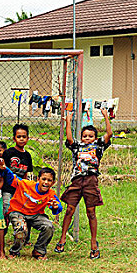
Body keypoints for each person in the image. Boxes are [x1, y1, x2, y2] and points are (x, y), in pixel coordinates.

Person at [55, 109, 112, 259]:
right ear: (81, 137)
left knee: (91, 212)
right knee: (69, 209)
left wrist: (106, 117)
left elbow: (109, 135)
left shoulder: (98, 146)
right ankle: (62, 238)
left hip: (91, 180)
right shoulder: (77, 146)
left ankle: (94, 243)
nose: (87, 138)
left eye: (90, 136)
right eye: (85, 136)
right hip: (77, 180)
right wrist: (68, 121)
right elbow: (69, 139)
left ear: (95, 137)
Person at [1, 165, 62, 260]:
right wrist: (5, 169)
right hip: (18, 212)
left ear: (53, 183)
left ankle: (39, 251)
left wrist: (55, 207)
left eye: (49, 180)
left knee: (49, 226)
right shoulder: (26, 184)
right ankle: (14, 251)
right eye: (43, 179)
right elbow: (11, 178)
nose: (46, 182)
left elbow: (57, 206)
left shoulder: (51, 194)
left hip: (35, 215)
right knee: (21, 229)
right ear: (38, 179)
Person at [0, 124, 34, 245]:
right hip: (8, 189)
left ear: (27, 138)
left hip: (21, 190)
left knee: (24, 212)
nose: (21, 139)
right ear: (14, 138)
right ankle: (0, 237)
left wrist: (27, 189)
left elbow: (27, 175)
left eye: (24, 137)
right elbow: (2, 172)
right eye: (18, 136)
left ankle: (25, 238)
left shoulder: (27, 155)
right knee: (6, 211)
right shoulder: (8, 153)